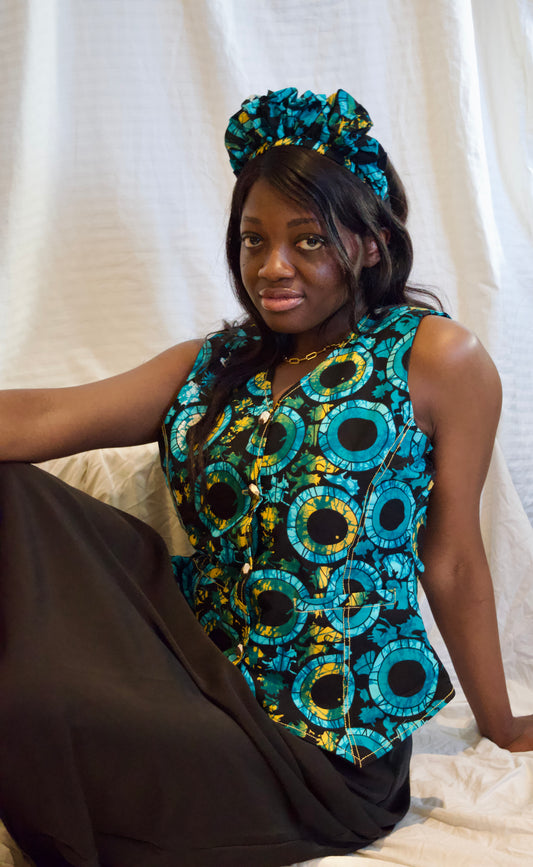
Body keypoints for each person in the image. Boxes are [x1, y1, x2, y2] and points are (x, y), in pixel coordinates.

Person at [0, 87, 531, 867]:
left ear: (371, 244)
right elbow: (47, 417)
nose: (272, 266)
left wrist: (503, 722)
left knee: (36, 712)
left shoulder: (434, 357)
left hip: (320, 743)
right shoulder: (211, 364)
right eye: (254, 240)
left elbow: (450, 558)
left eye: (307, 241)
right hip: (190, 664)